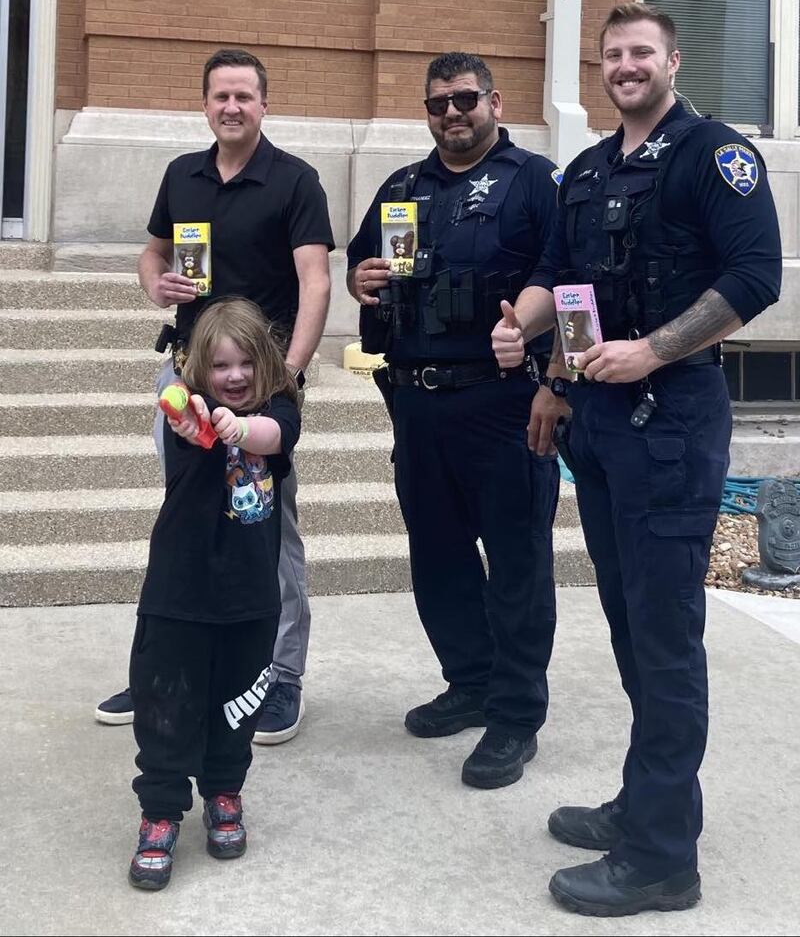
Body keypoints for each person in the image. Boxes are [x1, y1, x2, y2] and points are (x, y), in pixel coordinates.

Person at [492, 3, 782, 915]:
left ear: (671, 60)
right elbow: (560, 281)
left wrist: (652, 349)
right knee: (629, 628)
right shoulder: (587, 169)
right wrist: (531, 342)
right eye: (613, 54)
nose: (625, 66)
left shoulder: (716, 156)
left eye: (641, 53)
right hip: (601, 425)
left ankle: (661, 860)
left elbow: (754, 277)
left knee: (663, 643)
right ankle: (649, 804)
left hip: (673, 421)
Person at [95, 48, 334, 744]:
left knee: (269, 532)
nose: (232, 107)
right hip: (183, 385)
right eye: (220, 96)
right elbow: (152, 253)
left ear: (265, 105)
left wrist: (283, 378)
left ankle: (281, 678)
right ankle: (164, 674)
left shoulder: (294, 181)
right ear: (205, 105)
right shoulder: (182, 175)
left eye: (245, 97)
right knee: (183, 525)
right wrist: (155, 285)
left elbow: (315, 282)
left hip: (256, 386)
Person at [347, 52, 560, 790]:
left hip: (502, 405)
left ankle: (515, 715)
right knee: (437, 556)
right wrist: (361, 278)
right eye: (438, 104)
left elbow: (566, 273)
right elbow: (360, 264)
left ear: (494, 101)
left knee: (517, 560)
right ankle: (469, 682)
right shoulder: (403, 188)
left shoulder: (534, 181)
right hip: (416, 402)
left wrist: (539, 349)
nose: (452, 113)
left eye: (465, 99)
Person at [128, 298, 301, 890]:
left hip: (249, 599)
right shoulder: (188, 414)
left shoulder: (280, 410)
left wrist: (239, 428)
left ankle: (225, 790)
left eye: (247, 363)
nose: (235, 376)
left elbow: (272, 435)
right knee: (166, 705)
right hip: (178, 591)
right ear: (200, 368)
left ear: (267, 365)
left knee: (237, 705)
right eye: (222, 365)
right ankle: (159, 811)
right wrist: (194, 419)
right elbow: (190, 427)